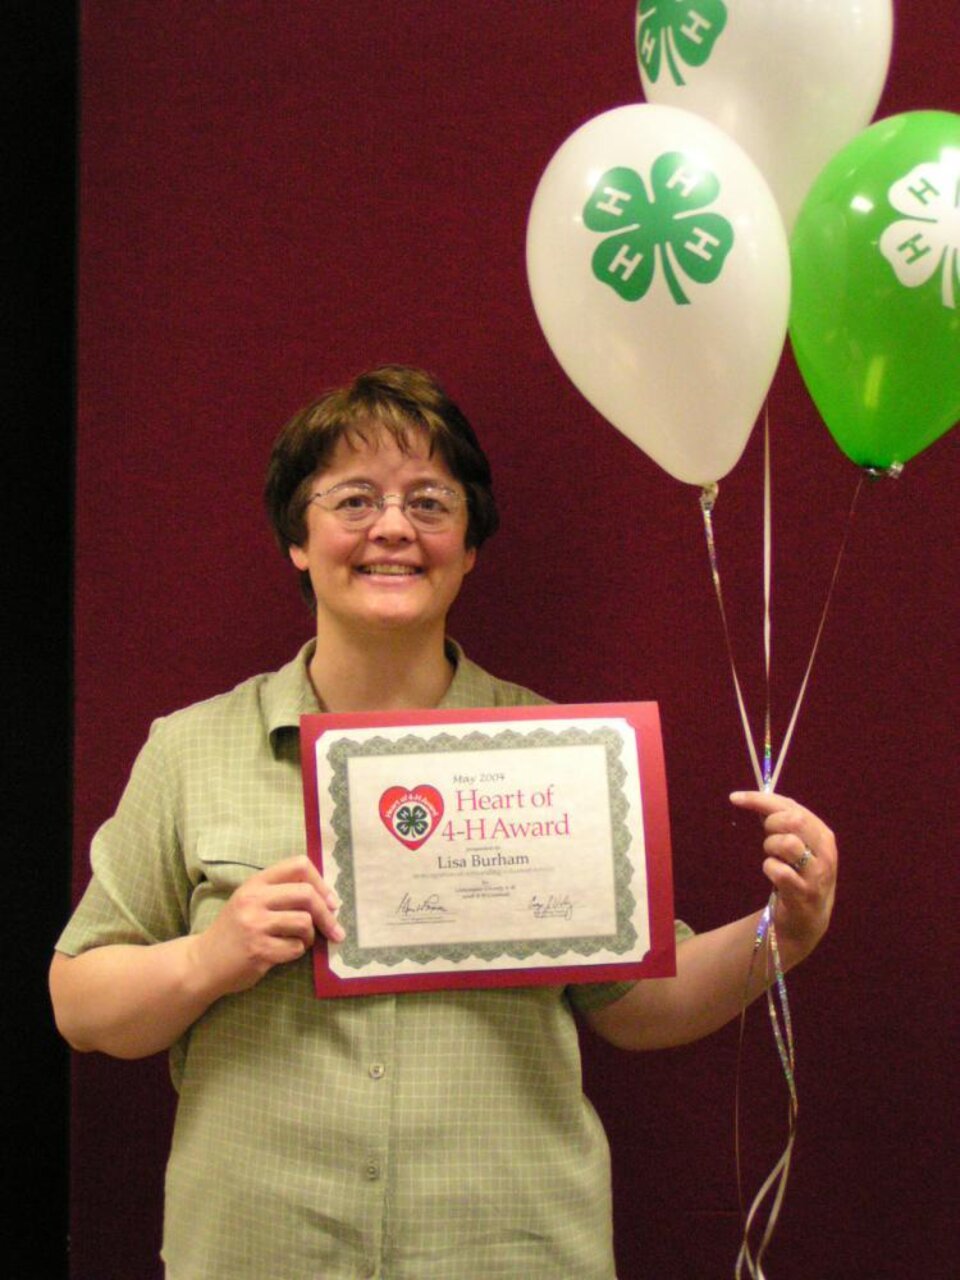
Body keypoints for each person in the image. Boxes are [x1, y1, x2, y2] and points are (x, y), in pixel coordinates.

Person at [50, 365, 838, 1280]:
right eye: (353, 500)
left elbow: (640, 1005)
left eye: (431, 502)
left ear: (469, 547)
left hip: (510, 1251)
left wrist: (788, 930)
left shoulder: (559, 758)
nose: (393, 528)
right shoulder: (189, 750)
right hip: (259, 1250)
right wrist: (208, 957)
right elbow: (79, 1005)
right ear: (297, 541)